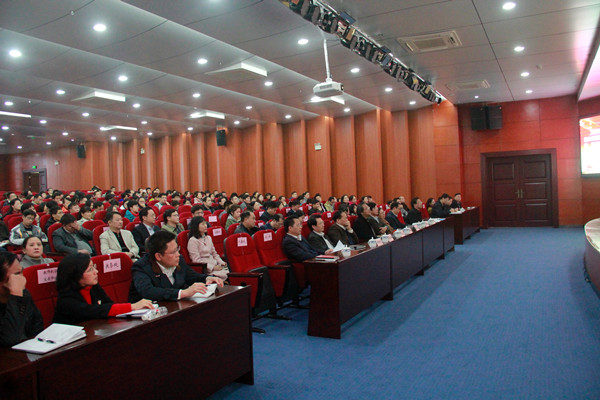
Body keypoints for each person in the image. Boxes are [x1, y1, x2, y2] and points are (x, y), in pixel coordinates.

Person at [53, 253, 154, 325]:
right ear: (76, 275)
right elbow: (95, 311)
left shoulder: (92, 286)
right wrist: (132, 307)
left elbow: (109, 304)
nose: (96, 272)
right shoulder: (66, 299)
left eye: (94, 267)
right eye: (90, 270)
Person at [129, 231, 224, 302]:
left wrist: (207, 278)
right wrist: (183, 293)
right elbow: (148, 291)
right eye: (173, 252)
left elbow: (191, 276)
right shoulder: (141, 267)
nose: (178, 254)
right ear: (158, 256)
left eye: (177, 249)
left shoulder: (179, 259)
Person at [0, 252, 43, 346]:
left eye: (22, 271)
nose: (22, 278)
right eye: (17, 274)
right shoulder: (18, 294)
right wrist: (16, 295)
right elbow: (9, 339)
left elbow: (37, 325)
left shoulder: (24, 293)